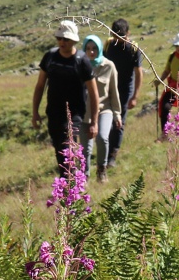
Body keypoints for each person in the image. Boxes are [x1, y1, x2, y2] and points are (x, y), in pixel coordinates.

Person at [31, 20, 99, 171]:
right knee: (59, 150)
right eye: (59, 38)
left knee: (68, 148)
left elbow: (94, 93)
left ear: (74, 40)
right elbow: (40, 86)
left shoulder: (82, 61)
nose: (62, 42)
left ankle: (72, 184)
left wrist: (94, 122)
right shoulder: (50, 57)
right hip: (54, 112)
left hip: (74, 114)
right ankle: (71, 183)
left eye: (66, 39)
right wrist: (35, 112)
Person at [102, 19, 142, 169]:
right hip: (108, 89)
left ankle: (112, 156)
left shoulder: (134, 49)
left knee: (119, 122)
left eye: (123, 37)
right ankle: (105, 150)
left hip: (125, 90)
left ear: (128, 34)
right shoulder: (108, 45)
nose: (120, 40)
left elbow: (139, 74)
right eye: (116, 37)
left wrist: (135, 96)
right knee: (106, 119)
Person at [82, 35, 121, 181]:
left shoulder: (109, 66)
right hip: (85, 112)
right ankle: (84, 177)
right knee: (85, 148)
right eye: (88, 49)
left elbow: (114, 92)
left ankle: (101, 169)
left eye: (95, 49)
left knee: (102, 137)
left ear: (100, 49)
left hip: (105, 109)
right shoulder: (80, 65)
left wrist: (117, 114)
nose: (91, 52)